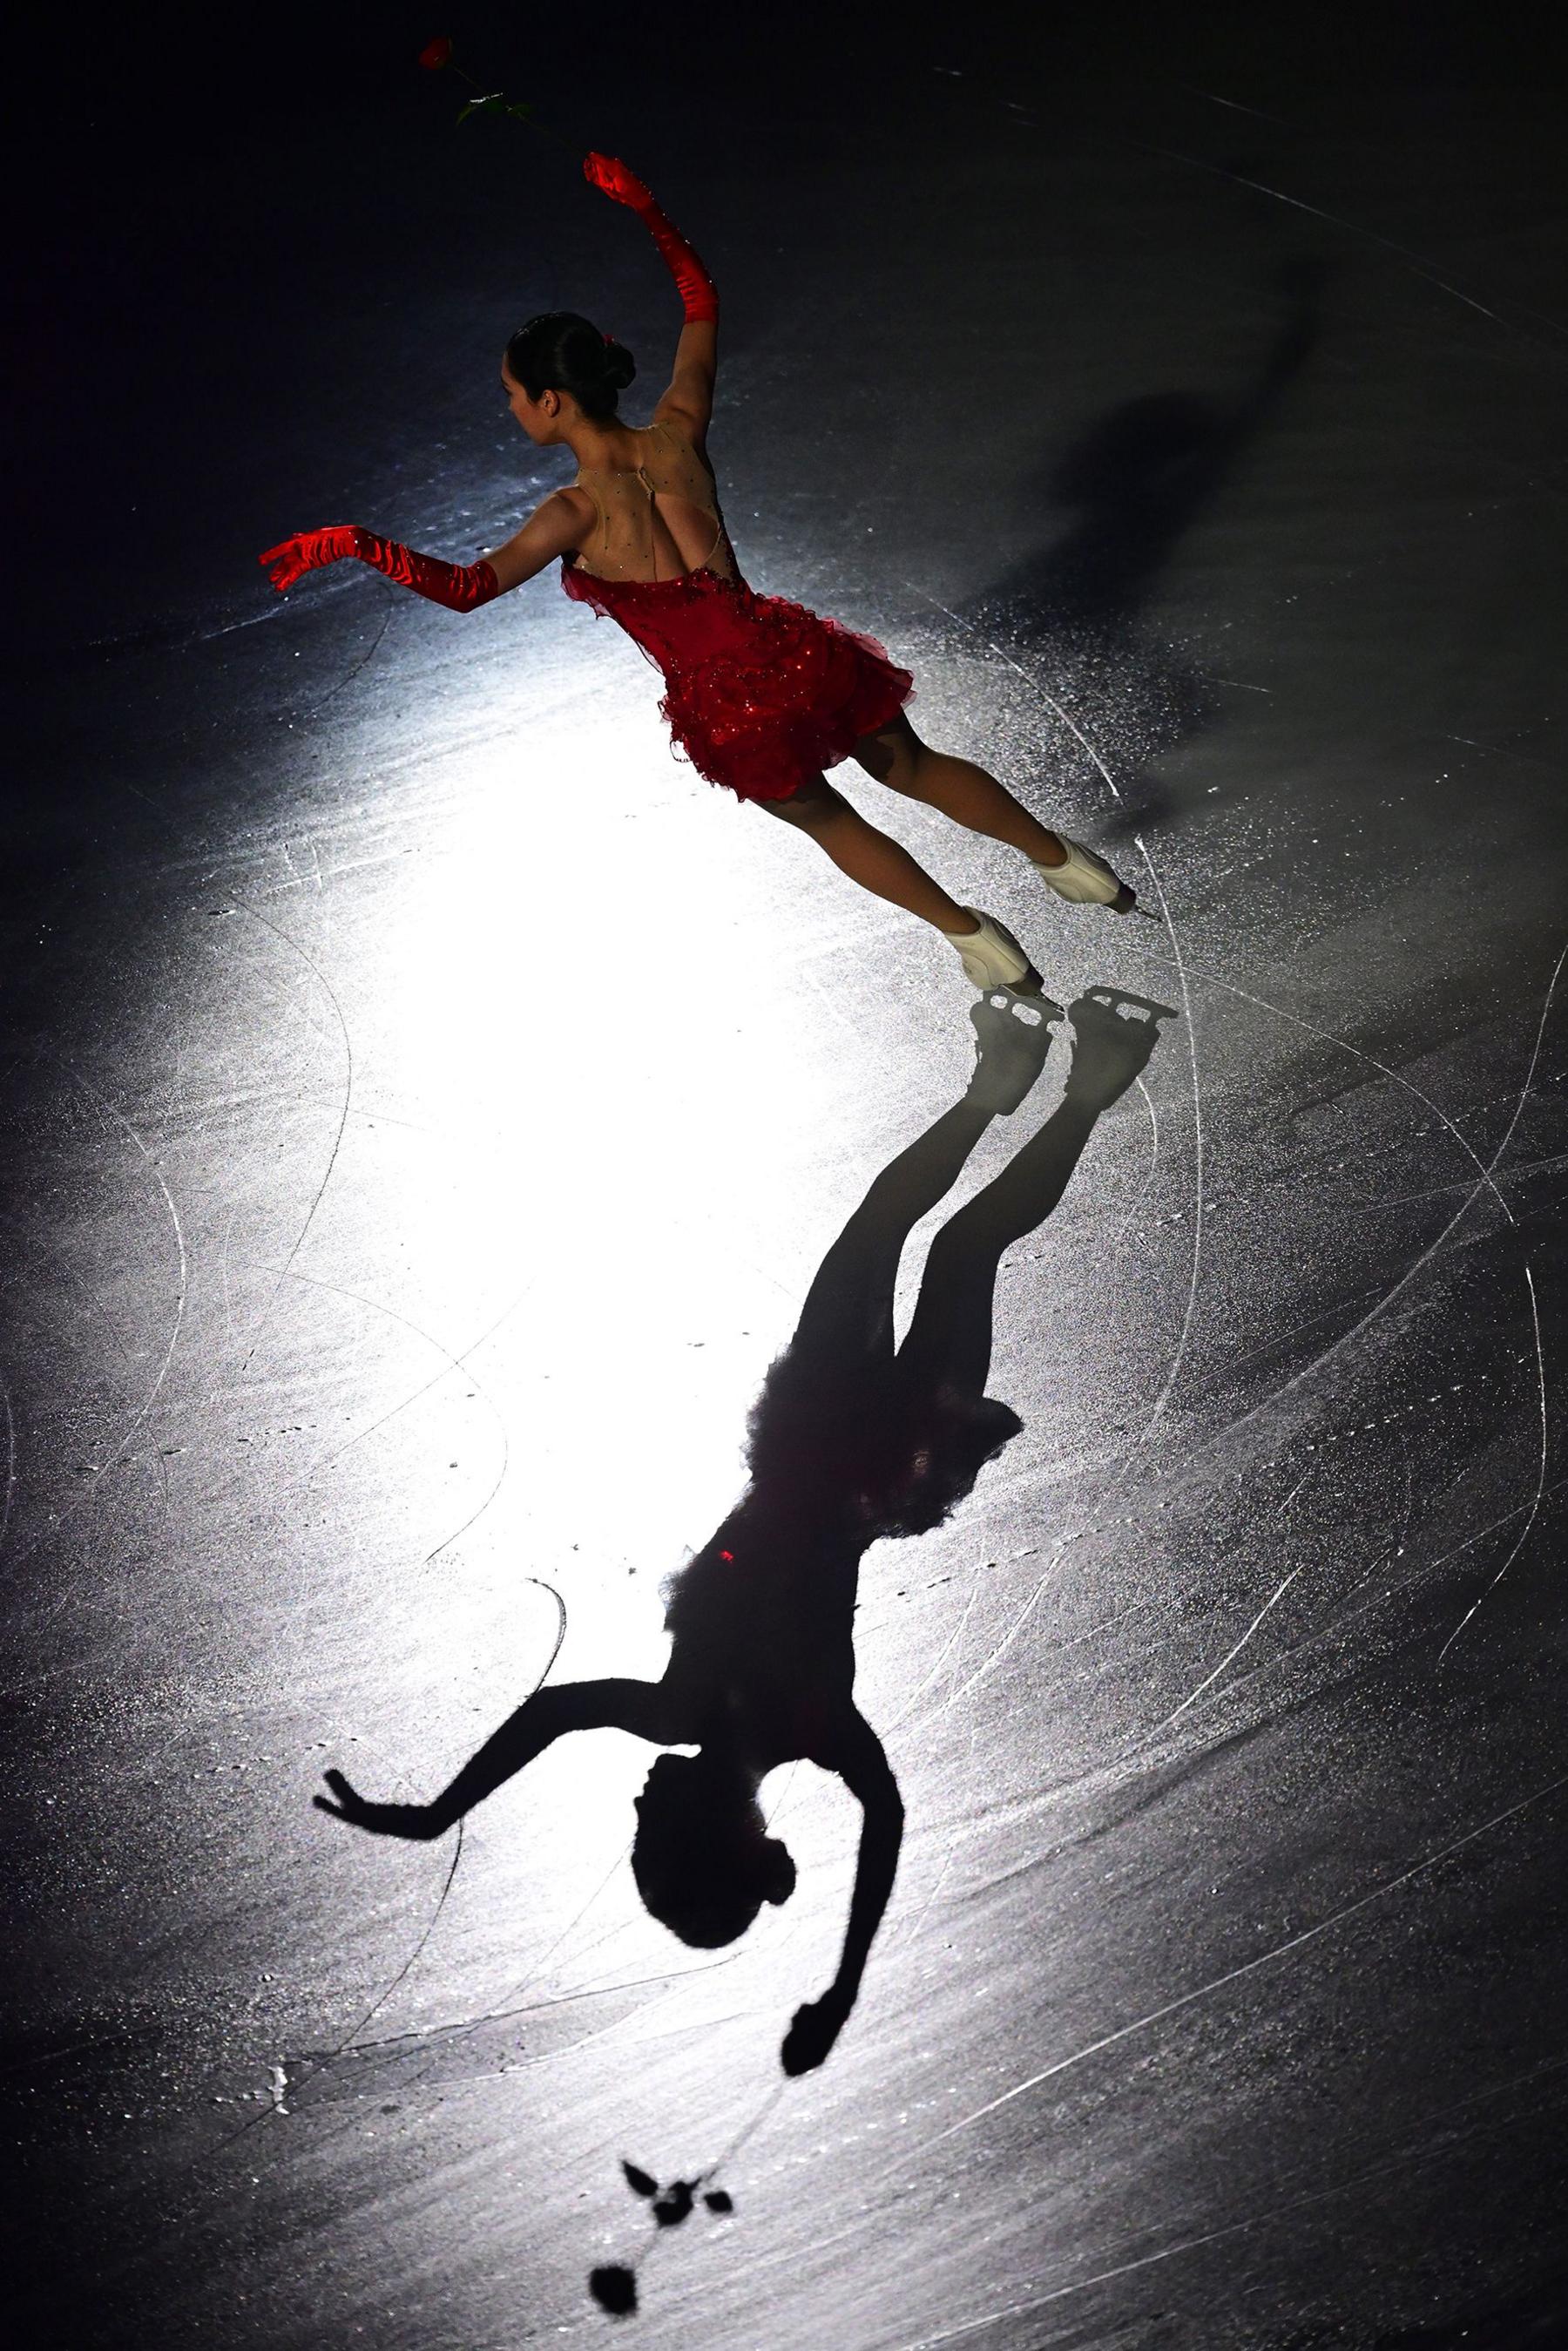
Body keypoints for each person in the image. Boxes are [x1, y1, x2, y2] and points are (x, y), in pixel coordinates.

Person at [315, 983, 1175, 2071]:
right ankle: (1085, 1083)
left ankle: (1002, 1082)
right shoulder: (803, 1725)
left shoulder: (682, 1710)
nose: (635, 1807)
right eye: (646, 1831)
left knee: (897, 1230)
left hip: (817, 1434)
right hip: (885, 1460)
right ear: (708, 1834)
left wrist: (440, 1814)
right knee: (958, 1248)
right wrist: (845, 1987)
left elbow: (550, 1714)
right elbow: (884, 1817)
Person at [260, 154, 1138, 994]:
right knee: (911, 763)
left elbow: (464, 591)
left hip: (736, 710)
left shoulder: (573, 513)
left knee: (829, 821)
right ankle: (1067, 865)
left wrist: (354, 541)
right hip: (795, 654)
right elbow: (700, 298)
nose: (511, 406)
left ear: (552, 402)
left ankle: (975, 940)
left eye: (512, 393)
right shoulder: (677, 429)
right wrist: (646, 209)